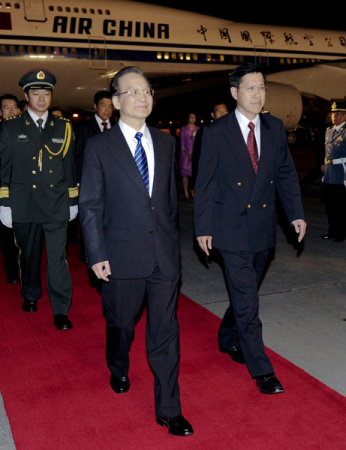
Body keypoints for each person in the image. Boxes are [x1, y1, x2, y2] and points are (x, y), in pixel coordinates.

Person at [79, 66, 193, 436]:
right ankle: (118, 364)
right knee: (122, 325)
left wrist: (173, 247)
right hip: (120, 256)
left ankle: (169, 408)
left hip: (163, 256)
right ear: (115, 101)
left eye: (147, 91)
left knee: (165, 331)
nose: (143, 97)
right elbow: (91, 205)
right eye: (133, 92)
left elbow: (168, 202)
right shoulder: (99, 146)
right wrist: (96, 253)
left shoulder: (165, 141)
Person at [194, 62, 306, 394]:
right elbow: (206, 184)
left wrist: (296, 214)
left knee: (246, 295)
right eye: (250, 88)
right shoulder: (216, 132)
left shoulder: (272, 127)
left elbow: (285, 174)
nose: (257, 94)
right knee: (247, 301)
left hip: (262, 230)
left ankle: (228, 336)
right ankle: (262, 370)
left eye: (261, 88)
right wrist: (203, 227)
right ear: (234, 93)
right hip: (229, 229)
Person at [0, 68, 78, 330]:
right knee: (29, 254)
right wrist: (4, 203)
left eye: (46, 92)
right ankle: (31, 293)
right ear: (26, 95)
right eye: (36, 92)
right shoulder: (11, 128)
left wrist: (73, 200)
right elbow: (4, 168)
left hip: (55, 202)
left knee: (57, 258)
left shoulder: (64, 127)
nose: (42, 98)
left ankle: (60, 310)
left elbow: (69, 167)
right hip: (24, 202)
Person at [0, 94, 20, 283]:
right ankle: (12, 271)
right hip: (2, 192)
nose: (12, 111)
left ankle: (20, 269)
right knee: (6, 236)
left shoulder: (28, 133)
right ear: (1, 112)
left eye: (15, 107)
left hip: (23, 193)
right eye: (7, 108)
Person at [75, 90, 114, 184]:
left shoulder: (117, 128)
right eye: (104, 105)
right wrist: (77, 182)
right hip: (90, 179)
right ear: (95, 106)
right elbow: (77, 156)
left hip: (111, 180)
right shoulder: (83, 127)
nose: (107, 110)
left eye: (110, 106)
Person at [320, 101, 346, 242]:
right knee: (330, 206)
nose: (335, 116)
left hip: (342, 175)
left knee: (341, 207)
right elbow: (329, 152)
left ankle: (341, 233)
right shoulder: (329, 131)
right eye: (333, 113)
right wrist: (325, 165)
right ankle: (332, 231)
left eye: (339, 114)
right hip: (330, 174)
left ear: (345, 116)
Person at [180, 113, 199, 199]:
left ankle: (193, 190)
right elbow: (183, 144)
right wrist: (188, 155)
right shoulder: (184, 129)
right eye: (191, 117)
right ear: (188, 118)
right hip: (185, 154)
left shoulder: (197, 129)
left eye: (194, 117)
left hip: (195, 154)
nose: (193, 119)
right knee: (185, 174)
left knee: (195, 173)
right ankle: (185, 191)